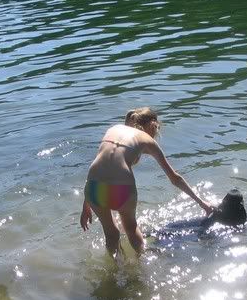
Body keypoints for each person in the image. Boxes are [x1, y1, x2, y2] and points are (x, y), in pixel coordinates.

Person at [80, 108, 213, 256]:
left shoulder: (114, 129)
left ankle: (114, 268)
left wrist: (86, 204)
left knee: (111, 233)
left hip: (92, 187)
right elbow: (174, 178)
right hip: (121, 187)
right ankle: (141, 263)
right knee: (131, 228)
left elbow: (102, 166)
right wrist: (202, 203)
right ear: (152, 125)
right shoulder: (146, 139)